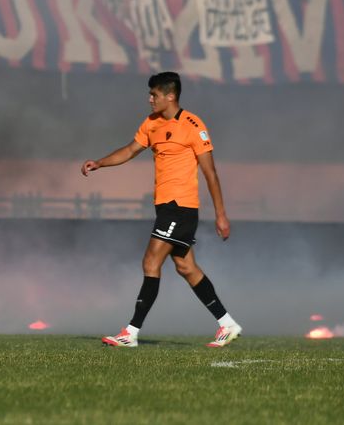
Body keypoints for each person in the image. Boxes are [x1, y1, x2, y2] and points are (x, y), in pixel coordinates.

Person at [81, 71, 242, 348]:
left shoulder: (193, 125)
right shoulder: (151, 123)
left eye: (154, 94)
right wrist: (100, 163)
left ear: (170, 96)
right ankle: (227, 324)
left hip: (180, 207)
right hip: (165, 207)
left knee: (151, 262)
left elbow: (210, 173)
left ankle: (130, 332)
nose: (150, 99)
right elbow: (130, 150)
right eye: (150, 94)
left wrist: (221, 214)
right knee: (186, 266)